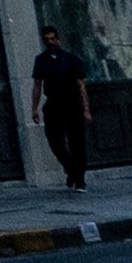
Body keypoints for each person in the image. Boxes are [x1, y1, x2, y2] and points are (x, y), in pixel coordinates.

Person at [32, 24, 92, 186]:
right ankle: (70, 167)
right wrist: (34, 108)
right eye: (46, 40)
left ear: (58, 39)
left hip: (72, 104)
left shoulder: (71, 60)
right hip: (53, 105)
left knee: (77, 142)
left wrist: (86, 109)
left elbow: (81, 85)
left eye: (52, 39)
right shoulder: (41, 61)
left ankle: (79, 179)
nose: (50, 42)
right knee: (54, 140)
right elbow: (37, 85)